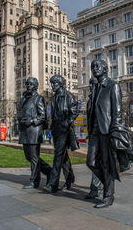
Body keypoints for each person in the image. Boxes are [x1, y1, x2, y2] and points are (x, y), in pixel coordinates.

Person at [86, 59, 122, 208]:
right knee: (91, 161)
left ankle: (108, 195)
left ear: (105, 69)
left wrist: (114, 131)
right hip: (95, 130)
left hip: (107, 130)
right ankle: (107, 184)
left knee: (107, 164)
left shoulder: (113, 86)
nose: (95, 69)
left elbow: (117, 112)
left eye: (98, 66)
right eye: (93, 66)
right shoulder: (95, 88)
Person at [45, 74, 79, 193]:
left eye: (54, 83)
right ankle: (70, 178)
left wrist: (66, 123)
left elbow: (74, 112)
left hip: (65, 130)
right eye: (51, 83)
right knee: (63, 156)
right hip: (56, 130)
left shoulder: (69, 96)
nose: (52, 86)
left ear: (60, 84)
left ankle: (53, 183)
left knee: (58, 155)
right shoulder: (53, 98)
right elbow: (53, 115)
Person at [18, 77, 52, 189]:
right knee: (28, 156)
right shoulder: (23, 99)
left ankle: (34, 181)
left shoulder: (39, 99)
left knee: (33, 157)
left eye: (31, 84)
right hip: (24, 130)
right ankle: (49, 171)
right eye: (27, 84)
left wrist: (32, 121)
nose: (28, 86)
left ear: (35, 86)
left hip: (34, 131)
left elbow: (42, 116)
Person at [85, 77, 103, 199]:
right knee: (91, 161)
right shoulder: (90, 100)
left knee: (99, 161)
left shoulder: (103, 97)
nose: (91, 87)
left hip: (104, 133)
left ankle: (95, 187)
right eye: (90, 84)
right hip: (93, 134)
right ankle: (101, 184)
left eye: (94, 84)